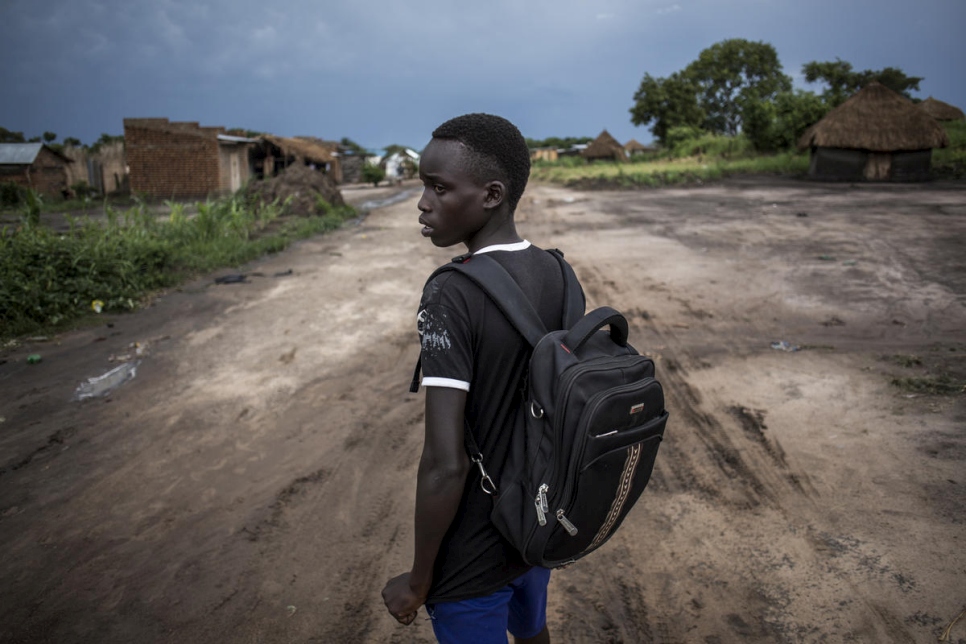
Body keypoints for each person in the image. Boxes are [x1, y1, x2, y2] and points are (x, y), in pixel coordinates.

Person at [382, 113, 580, 644]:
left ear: (492, 195)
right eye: (424, 185)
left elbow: (447, 463)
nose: (423, 202)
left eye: (439, 187)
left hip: (472, 551)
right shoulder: (560, 272)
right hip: (534, 527)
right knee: (533, 631)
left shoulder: (452, 293)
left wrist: (420, 581)